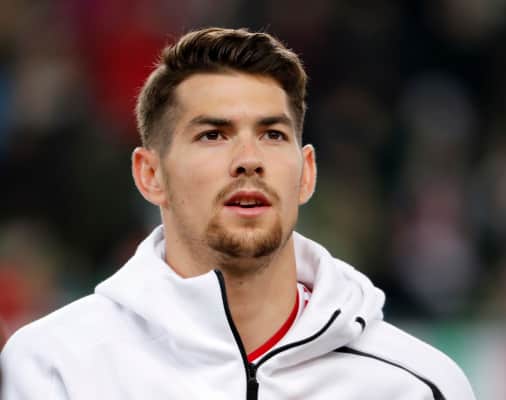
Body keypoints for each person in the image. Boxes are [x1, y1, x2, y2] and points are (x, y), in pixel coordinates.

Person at [1, 27, 475, 400]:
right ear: (150, 175)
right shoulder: (57, 367)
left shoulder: (418, 384)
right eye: (213, 135)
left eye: (272, 135)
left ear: (306, 173)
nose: (249, 159)